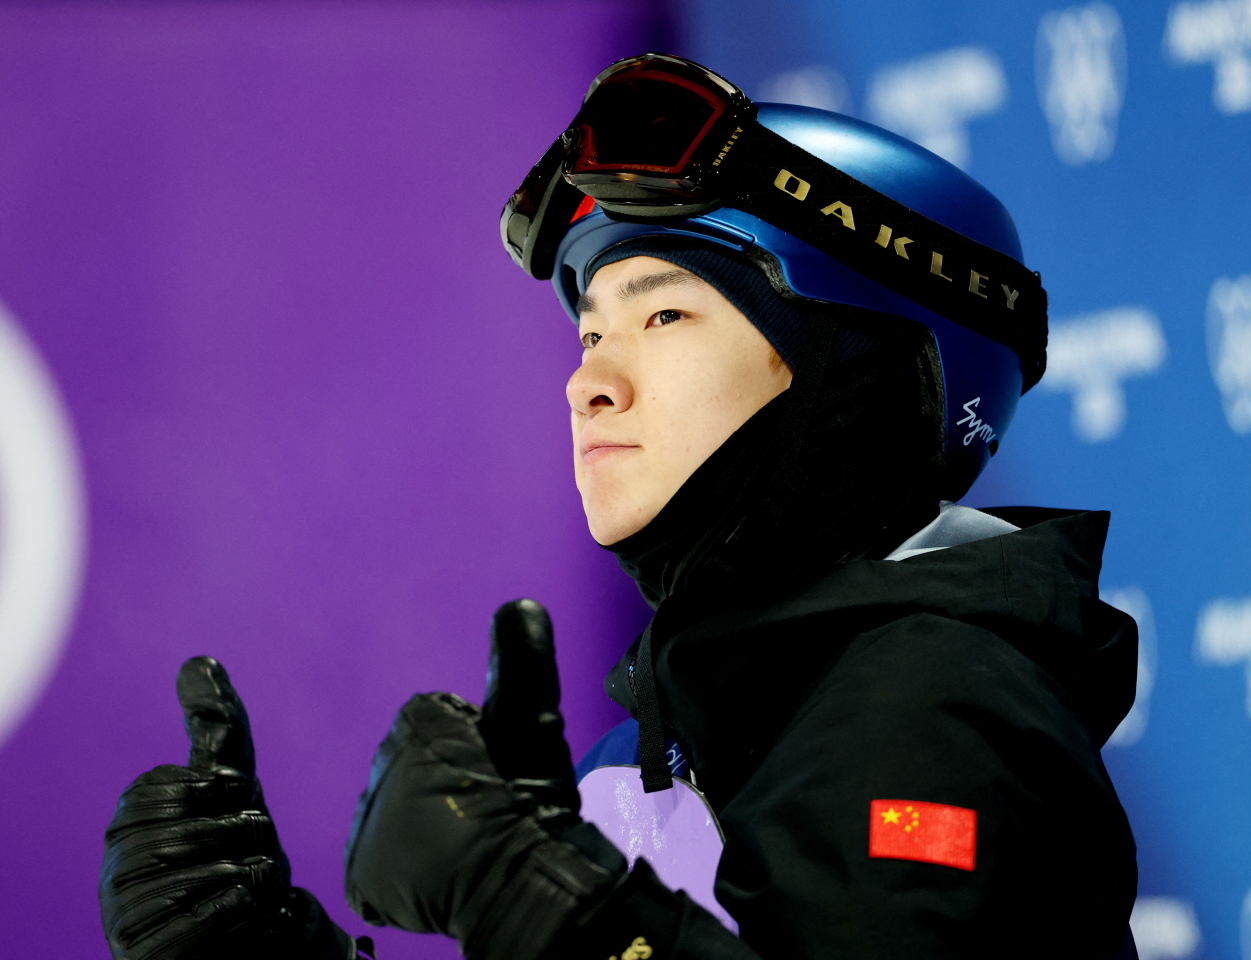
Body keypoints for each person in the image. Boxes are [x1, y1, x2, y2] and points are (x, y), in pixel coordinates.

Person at [98, 54, 1138, 960]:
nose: (587, 382)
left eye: (666, 315)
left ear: (856, 369)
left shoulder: (940, 704)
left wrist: (534, 903)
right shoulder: (643, 757)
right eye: (592, 332)